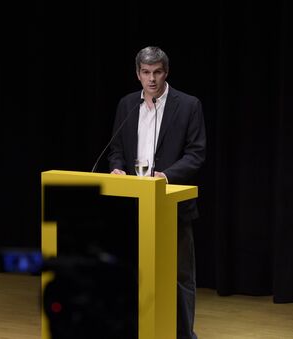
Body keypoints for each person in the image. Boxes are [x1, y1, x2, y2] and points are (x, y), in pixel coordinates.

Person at [108, 46, 206, 339]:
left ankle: (184, 335)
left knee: (180, 277)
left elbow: (196, 153)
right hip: (133, 204)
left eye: (158, 72)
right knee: (131, 274)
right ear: (138, 74)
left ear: (167, 72)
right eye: (146, 73)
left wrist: (166, 175)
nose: (152, 79)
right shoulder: (126, 105)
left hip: (171, 204)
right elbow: (116, 149)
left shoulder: (188, 105)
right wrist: (116, 170)